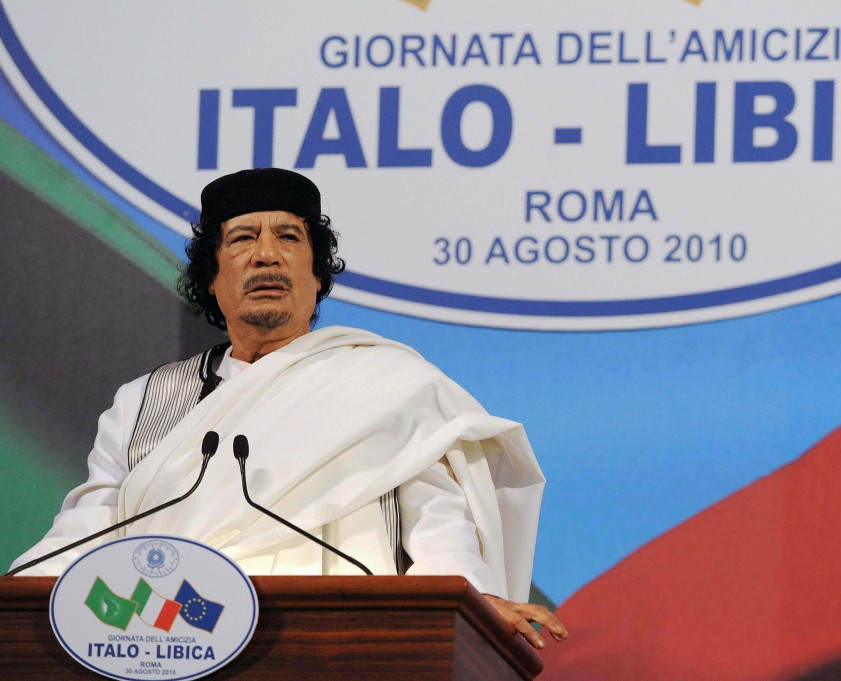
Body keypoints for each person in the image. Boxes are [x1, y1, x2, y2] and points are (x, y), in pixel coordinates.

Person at [9, 167, 567, 649]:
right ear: (212, 277)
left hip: (341, 643)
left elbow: (437, 524)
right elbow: (89, 531)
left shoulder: (387, 386)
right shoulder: (144, 402)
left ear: (318, 275)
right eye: (242, 238)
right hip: (169, 643)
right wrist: (19, 599)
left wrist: (473, 600)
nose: (267, 255)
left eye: (289, 237)